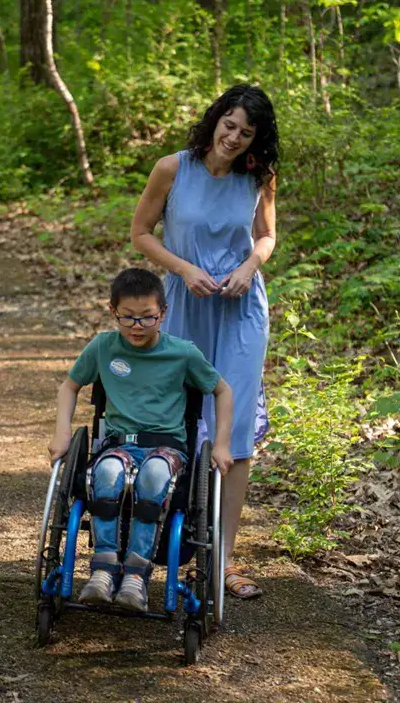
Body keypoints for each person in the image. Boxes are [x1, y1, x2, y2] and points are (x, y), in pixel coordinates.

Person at [130, 84, 279, 600]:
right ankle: (160, 547)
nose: (234, 138)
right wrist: (184, 268)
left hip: (241, 309)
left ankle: (222, 562)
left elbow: (267, 235)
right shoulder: (173, 167)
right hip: (187, 303)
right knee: (178, 420)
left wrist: (249, 266)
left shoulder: (258, 175)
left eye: (247, 132)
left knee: (234, 432)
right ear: (216, 119)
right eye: (229, 125)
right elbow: (142, 232)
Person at [48, 267, 233, 613]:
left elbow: (222, 390)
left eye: (147, 318)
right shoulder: (103, 346)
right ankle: (102, 572)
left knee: (154, 476)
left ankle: (135, 578)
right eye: (128, 318)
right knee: (104, 475)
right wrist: (61, 431)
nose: (136, 326)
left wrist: (221, 443)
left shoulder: (183, 353)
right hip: (118, 444)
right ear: (112, 311)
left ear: (163, 313)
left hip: (166, 448)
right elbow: (69, 386)